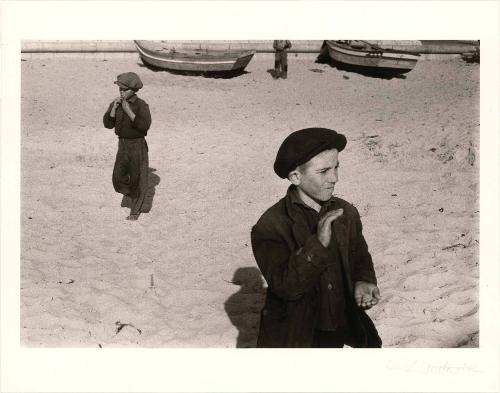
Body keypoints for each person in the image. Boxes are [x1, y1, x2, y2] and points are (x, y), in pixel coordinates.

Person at [250, 127, 382, 347]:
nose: (335, 178)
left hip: (342, 324)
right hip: (299, 334)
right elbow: (286, 286)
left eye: (337, 167)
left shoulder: (346, 212)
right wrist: (318, 244)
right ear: (295, 176)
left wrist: (364, 281)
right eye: (323, 172)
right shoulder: (270, 226)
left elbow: (359, 255)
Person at [103, 72, 152, 221]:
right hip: (122, 144)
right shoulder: (116, 103)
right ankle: (133, 193)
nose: (121, 92)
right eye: (120, 89)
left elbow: (144, 126)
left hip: (137, 145)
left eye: (124, 89)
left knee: (137, 178)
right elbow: (107, 124)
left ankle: (135, 211)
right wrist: (113, 110)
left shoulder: (141, 105)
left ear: (134, 90)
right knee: (117, 178)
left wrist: (128, 111)